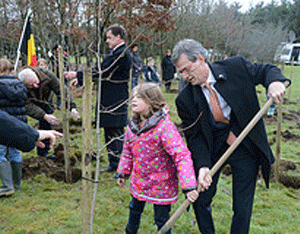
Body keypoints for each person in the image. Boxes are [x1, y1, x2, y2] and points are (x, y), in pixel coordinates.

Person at [171, 39, 290, 234]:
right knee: (200, 199)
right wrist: (202, 167)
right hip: (213, 149)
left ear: (201, 59)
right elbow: (195, 137)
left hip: (245, 146)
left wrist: (274, 82)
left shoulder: (235, 67)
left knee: (242, 208)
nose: (183, 76)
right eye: (180, 72)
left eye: (186, 69)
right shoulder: (185, 100)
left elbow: (266, 70)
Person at [116, 83, 198, 234]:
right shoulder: (132, 126)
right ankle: (130, 231)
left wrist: (189, 185)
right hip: (140, 180)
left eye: (139, 97)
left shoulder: (164, 128)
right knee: (134, 209)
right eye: (133, 96)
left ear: (152, 102)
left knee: (161, 218)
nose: (133, 100)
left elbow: (181, 155)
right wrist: (123, 171)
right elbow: (127, 151)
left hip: (161, 184)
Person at [65, 24, 132, 174]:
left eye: (109, 37)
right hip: (108, 98)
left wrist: (78, 75)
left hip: (115, 100)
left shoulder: (121, 54)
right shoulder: (114, 52)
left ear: (119, 37)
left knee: (115, 134)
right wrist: (81, 79)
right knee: (109, 132)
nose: (107, 41)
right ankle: (114, 164)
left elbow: (103, 70)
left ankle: (122, 168)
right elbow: (101, 70)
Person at [18, 67, 80, 160]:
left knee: (46, 125)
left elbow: (62, 90)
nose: (35, 86)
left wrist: (72, 108)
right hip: (32, 103)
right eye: (31, 85)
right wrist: (44, 116)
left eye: (36, 82)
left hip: (46, 101)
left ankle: (44, 154)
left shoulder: (48, 76)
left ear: (37, 76)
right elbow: (26, 105)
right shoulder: (19, 86)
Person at [0, 110, 63, 197]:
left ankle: (8, 186)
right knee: (14, 153)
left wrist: (33, 135)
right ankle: (15, 185)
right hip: (16, 123)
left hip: (11, 125)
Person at [0, 58, 28, 196]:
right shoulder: (20, 84)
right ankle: (17, 184)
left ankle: (7, 186)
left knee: (0, 153)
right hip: (18, 123)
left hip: (3, 124)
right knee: (15, 152)